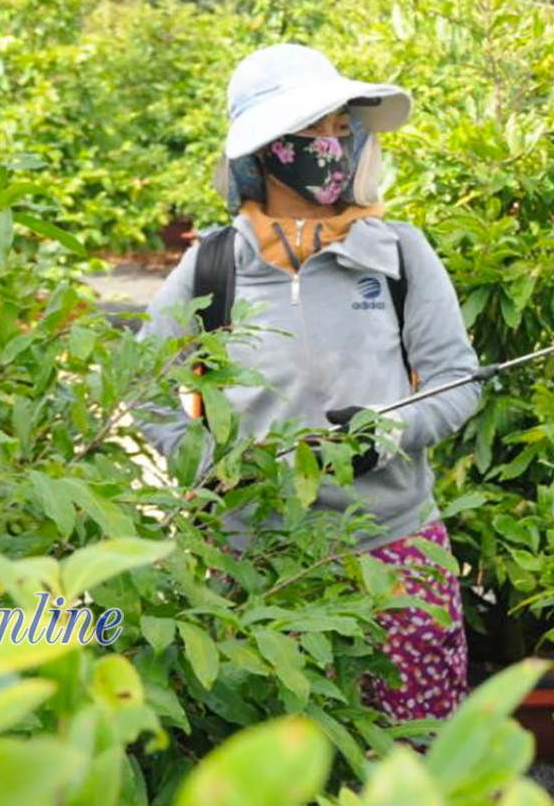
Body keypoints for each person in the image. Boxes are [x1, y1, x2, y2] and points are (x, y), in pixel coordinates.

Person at [136, 42, 482, 725]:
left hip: (392, 551)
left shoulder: (397, 251)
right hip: (253, 562)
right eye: (310, 132)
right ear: (265, 150)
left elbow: (456, 381)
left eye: (341, 127)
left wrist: (389, 428)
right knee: (275, 764)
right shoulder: (213, 267)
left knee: (405, 760)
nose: (333, 146)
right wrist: (207, 465)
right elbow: (139, 385)